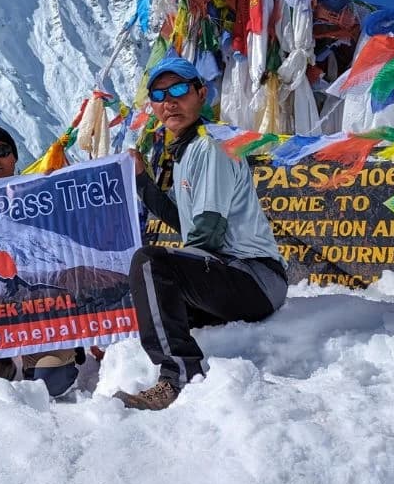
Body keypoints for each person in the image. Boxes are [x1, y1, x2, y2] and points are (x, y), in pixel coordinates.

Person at [121, 55, 288, 411]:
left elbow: (207, 233)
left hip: (253, 276)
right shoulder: (187, 152)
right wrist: (141, 180)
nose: (170, 102)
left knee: (150, 264)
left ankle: (177, 376)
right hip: (233, 275)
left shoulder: (210, 145)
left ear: (201, 93)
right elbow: (187, 222)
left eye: (179, 89)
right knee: (153, 293)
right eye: (159, 94)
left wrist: (174, 277)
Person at [0, 125, 79, 398]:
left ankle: (50, 359)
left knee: (48, 383)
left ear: (14, 157)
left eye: (2, 151)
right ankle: (2, 364)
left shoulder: (42, 194)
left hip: (44, 314)